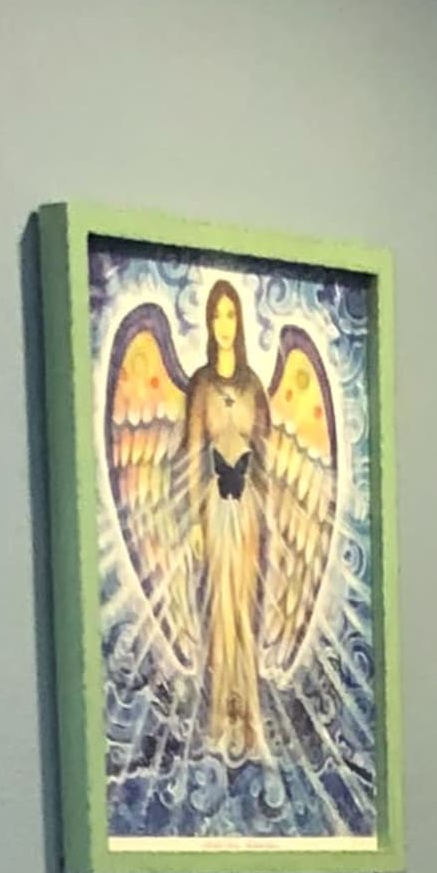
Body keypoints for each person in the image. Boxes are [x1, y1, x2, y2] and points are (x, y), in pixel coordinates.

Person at [176, 279, 271, 777]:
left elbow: (267, 455)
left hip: (249, 509)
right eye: (218, 316)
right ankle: (219, 723)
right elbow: (192, 453)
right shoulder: (202, 385)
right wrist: (193, 520)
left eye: (232, 315)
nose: (225, 325)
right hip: (214, 508)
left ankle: (251, 724)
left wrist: (270, 511)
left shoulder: (254, 386)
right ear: (210, 323)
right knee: (220, 610)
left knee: (246, 612)